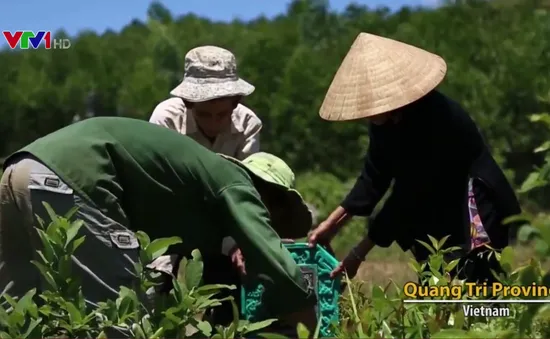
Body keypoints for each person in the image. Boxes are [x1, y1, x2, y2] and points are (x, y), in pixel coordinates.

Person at [0, 117, 316, 331]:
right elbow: (278, 267)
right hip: (77, 176)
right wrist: (306, 324)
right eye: (273, 219)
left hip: (19, 167)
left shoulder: (192, 187)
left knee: (17, 313)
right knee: (114, 320)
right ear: (269, 198)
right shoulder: (236, 183)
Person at [308, 32, 522, 284]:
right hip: (433, 213)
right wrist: (333, 224)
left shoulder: (435, 118)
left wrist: (359, 252)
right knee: (435, 296)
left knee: (481, 293)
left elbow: (407, 195)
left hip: (472, 206)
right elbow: (374, 176)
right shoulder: (385, 122)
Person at [149, 45, 262, 160]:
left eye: (222, 115)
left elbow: (247, 175)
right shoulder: (167, 120)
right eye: (204, 115)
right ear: (188, 102)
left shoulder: (247, 124)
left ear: (235, 103)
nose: (213, 124)